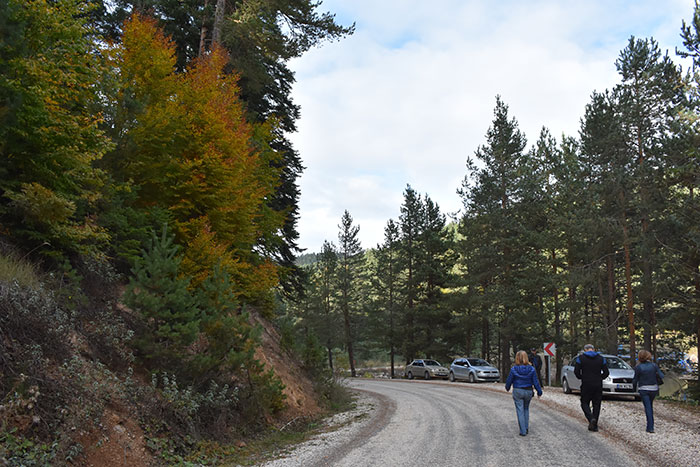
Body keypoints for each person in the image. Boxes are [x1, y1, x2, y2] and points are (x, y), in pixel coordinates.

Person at [505, 350, 543, 436]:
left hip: (518, 390)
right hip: (528, 390)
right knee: (526, 409)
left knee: (520, 410)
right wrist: (539, 391)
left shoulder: (514, 369)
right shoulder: (532, 369)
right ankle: (526, 427)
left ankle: (523, 431)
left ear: (517, 358)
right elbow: (535, 381)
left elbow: (509, 380)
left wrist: (507, 387)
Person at [574, 344, 609, 432]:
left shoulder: (580, 358)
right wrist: (601, 377)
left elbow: (576, 371)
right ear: (593, 349)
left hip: (586, 383)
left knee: (584, 402)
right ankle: (595, 424)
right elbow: (606, 372)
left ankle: (590, 419)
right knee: (596, 404)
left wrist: (581, 377)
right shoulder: (601, 358)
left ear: (585, 350)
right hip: (597, 383)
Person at [632, 349, 664, 433]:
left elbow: (635, 380)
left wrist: (633, 389)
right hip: (653, 388)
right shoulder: (654, 366)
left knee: (647, 407)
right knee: (650, 405)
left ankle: (650, 426)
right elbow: (661, 375)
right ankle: (651, 425)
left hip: (643, 389)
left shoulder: (638, 367)